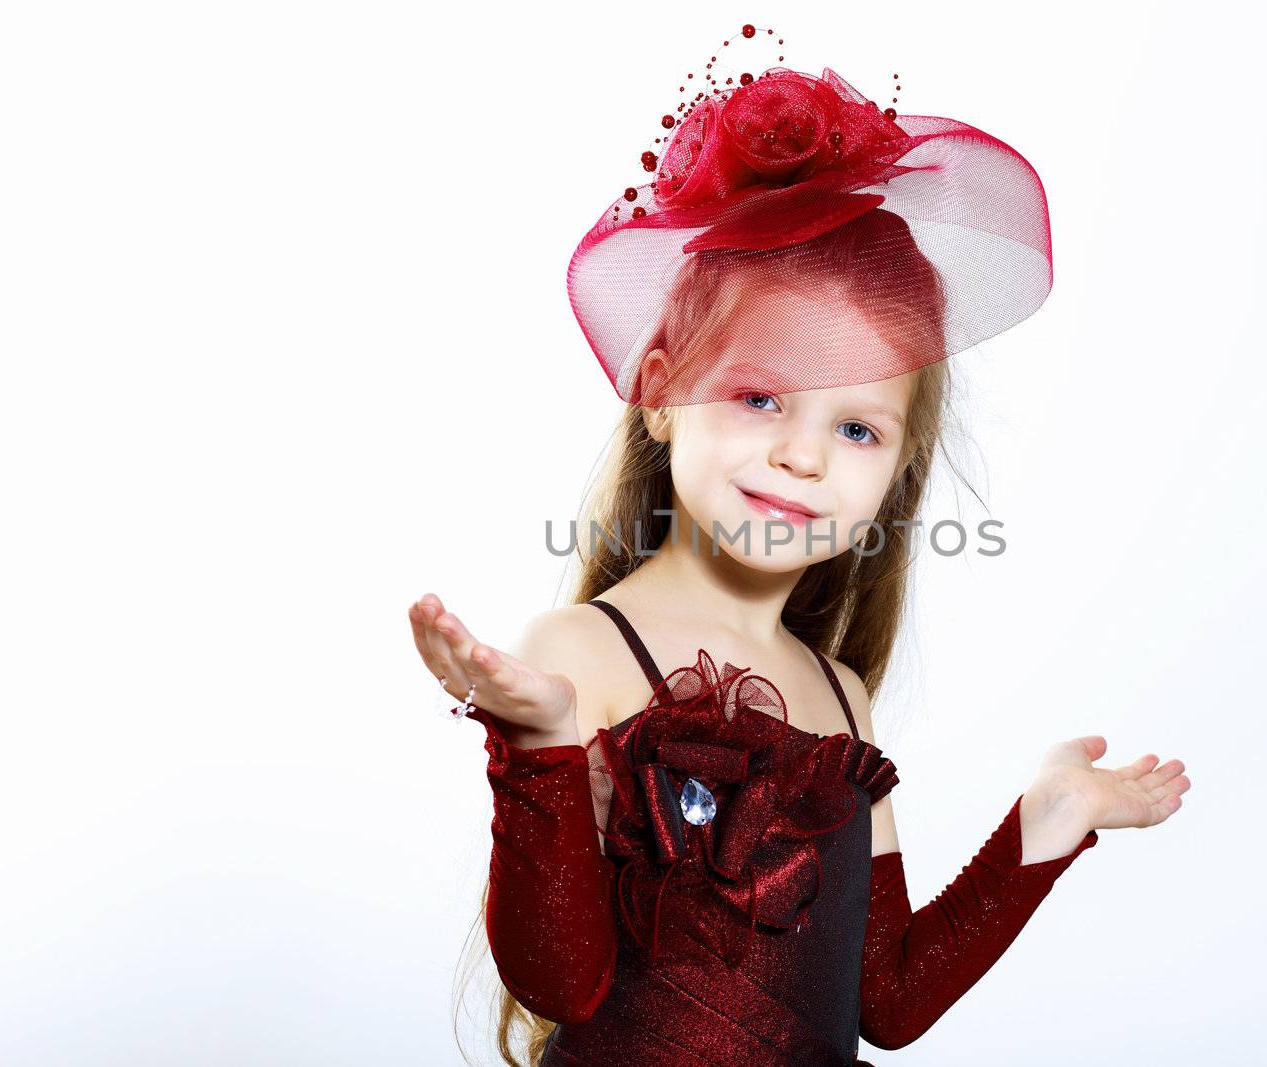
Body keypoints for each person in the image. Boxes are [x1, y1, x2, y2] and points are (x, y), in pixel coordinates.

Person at [409, 36, 1190, 1067]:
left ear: (895, 469)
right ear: (658, 389)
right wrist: (540, 749)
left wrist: (1046, 820)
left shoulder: (839, 696)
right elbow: (556, 979)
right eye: (761, 394)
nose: (801, 453)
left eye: (857, 428)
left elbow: (888, 999)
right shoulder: (582, 652)